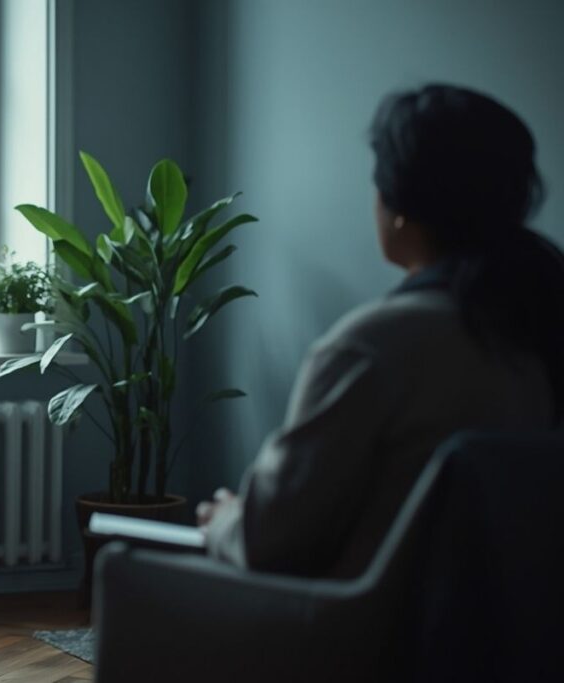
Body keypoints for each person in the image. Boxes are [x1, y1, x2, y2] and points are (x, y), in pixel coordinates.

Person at [197, 84, 564, 578]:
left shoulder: (373, 345)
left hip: (373, 640)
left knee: (131, 569)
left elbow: (268, 543)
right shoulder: (538, 323)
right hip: (522, 640)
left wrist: (224, 522)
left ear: (400, 207)